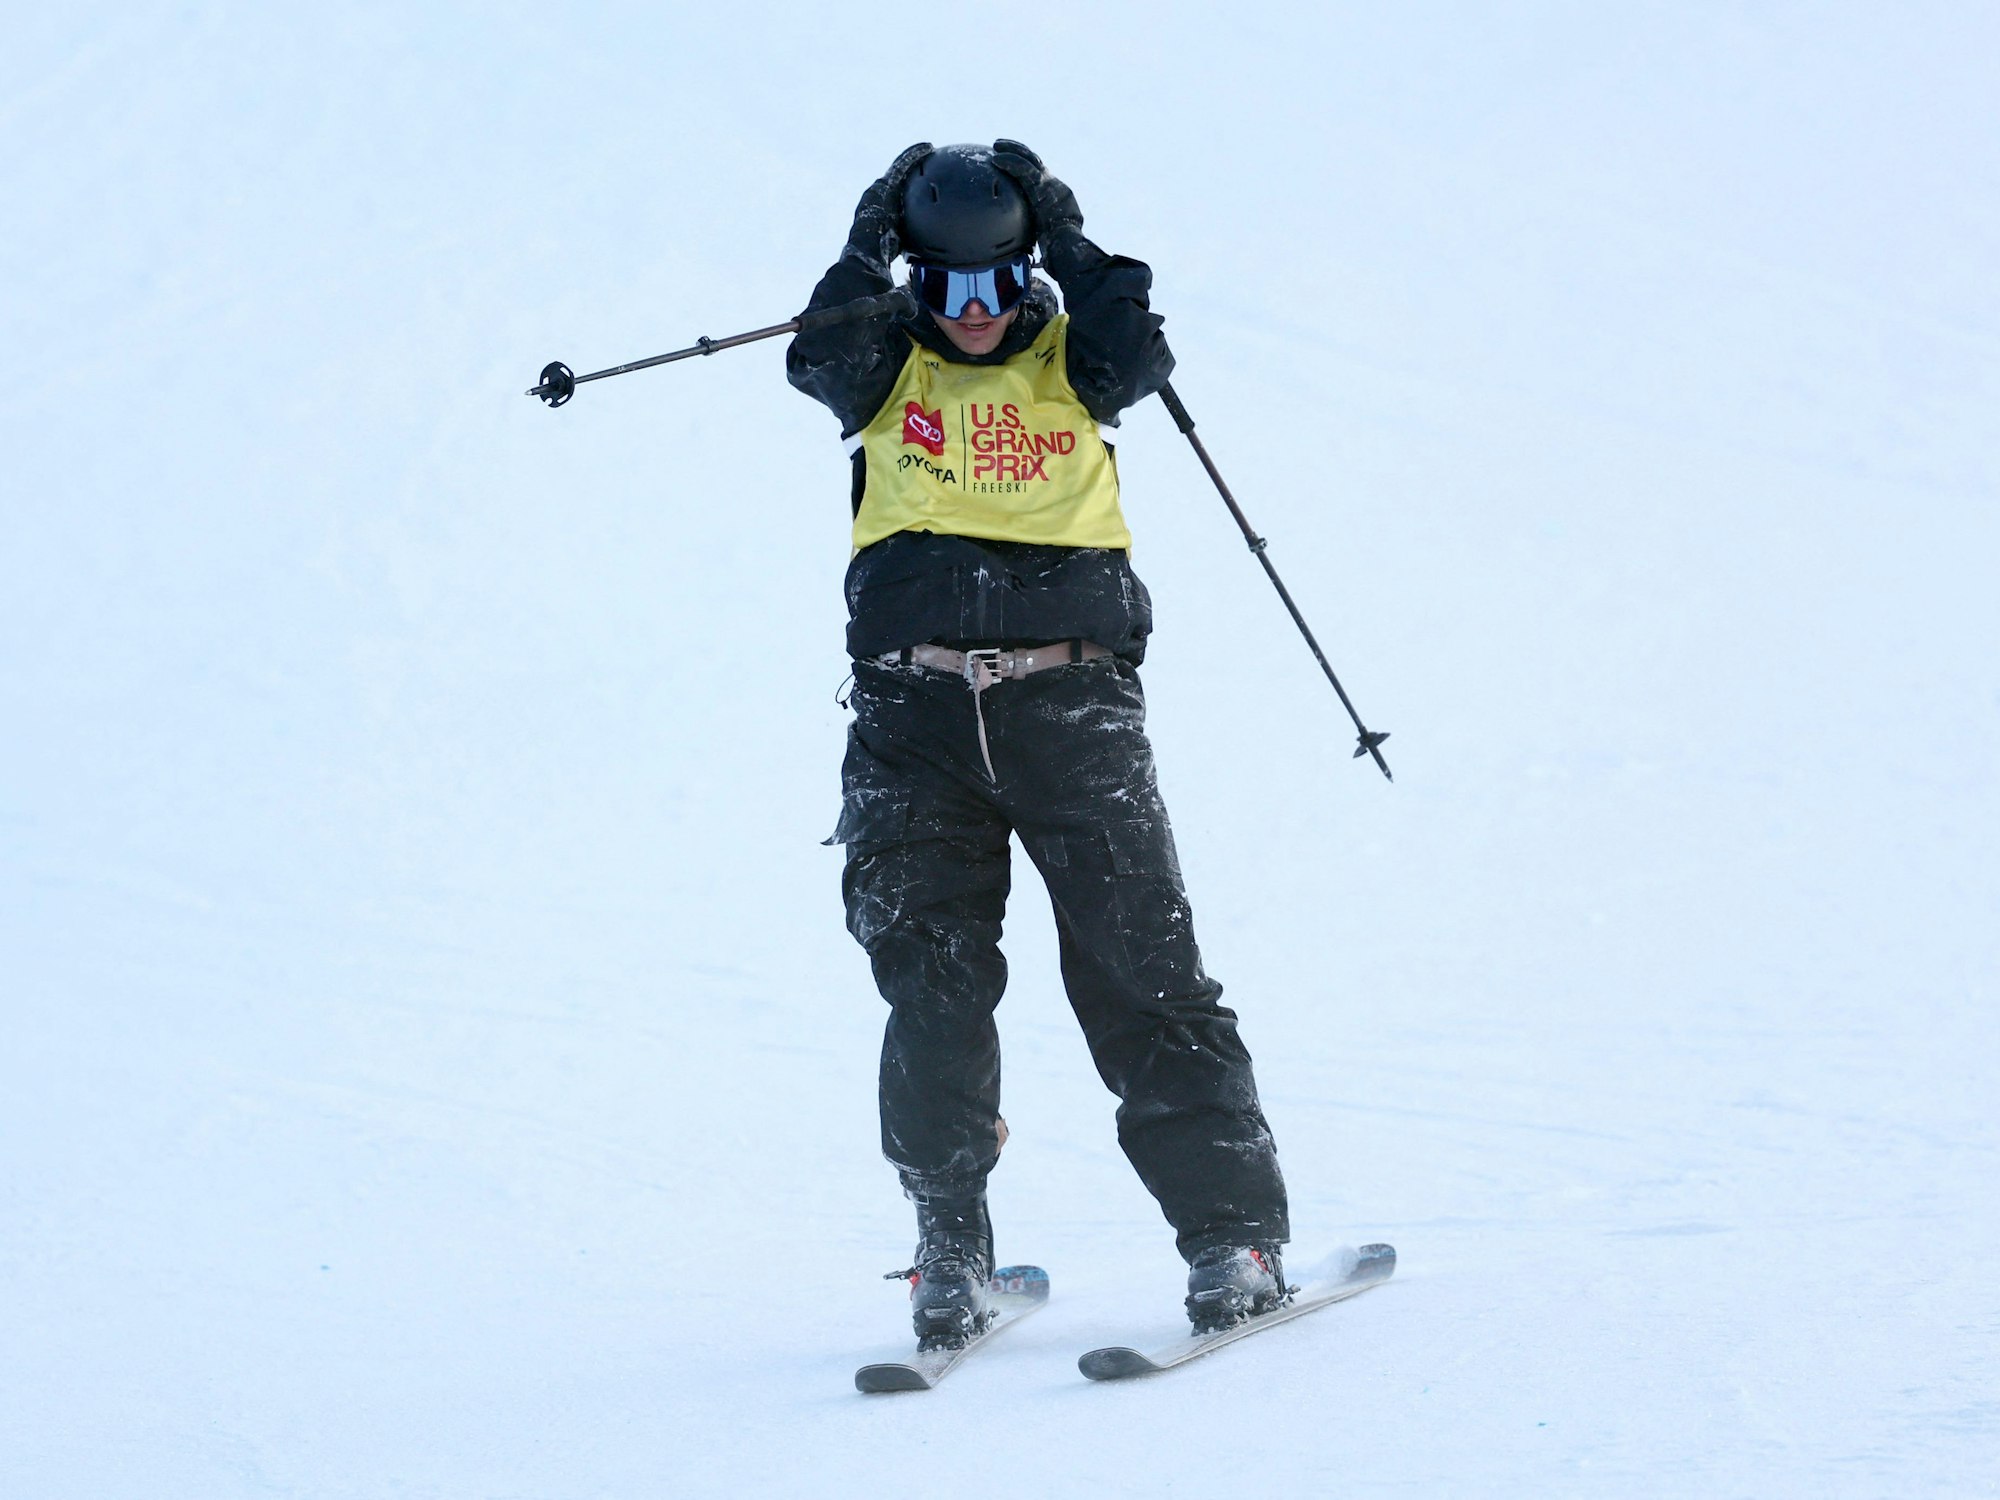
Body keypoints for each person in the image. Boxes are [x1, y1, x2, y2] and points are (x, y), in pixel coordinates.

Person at [788, 141, 1290, 1349]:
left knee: (1140, 970)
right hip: (912, 721)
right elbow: (820, 348)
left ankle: (1232, 1240)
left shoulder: (1078, 358)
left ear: (1026, 280)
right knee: (932, 986)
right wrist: (868, 242)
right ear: (916, 285)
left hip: (1071, 712)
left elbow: (1138, 340)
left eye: (996, 288)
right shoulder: (880, 366)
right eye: (948, 291)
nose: (973, 318)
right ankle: (948, 1250)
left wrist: (1063, 232)